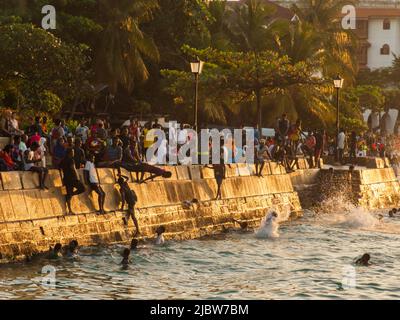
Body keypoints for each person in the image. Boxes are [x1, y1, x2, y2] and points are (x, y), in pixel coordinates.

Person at [60, 148, 86, 215]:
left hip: (66, 179)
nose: (73, 153)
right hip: (73, 178)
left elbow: (59, 169)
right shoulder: (71, 160)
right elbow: (73, 169)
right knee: (83, 188)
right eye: (72, 152)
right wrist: (77, 177)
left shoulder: (62, 160)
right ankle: (72, 194)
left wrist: (62, 179)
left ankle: (70, 210)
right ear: (70, 153)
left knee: (68, 195)